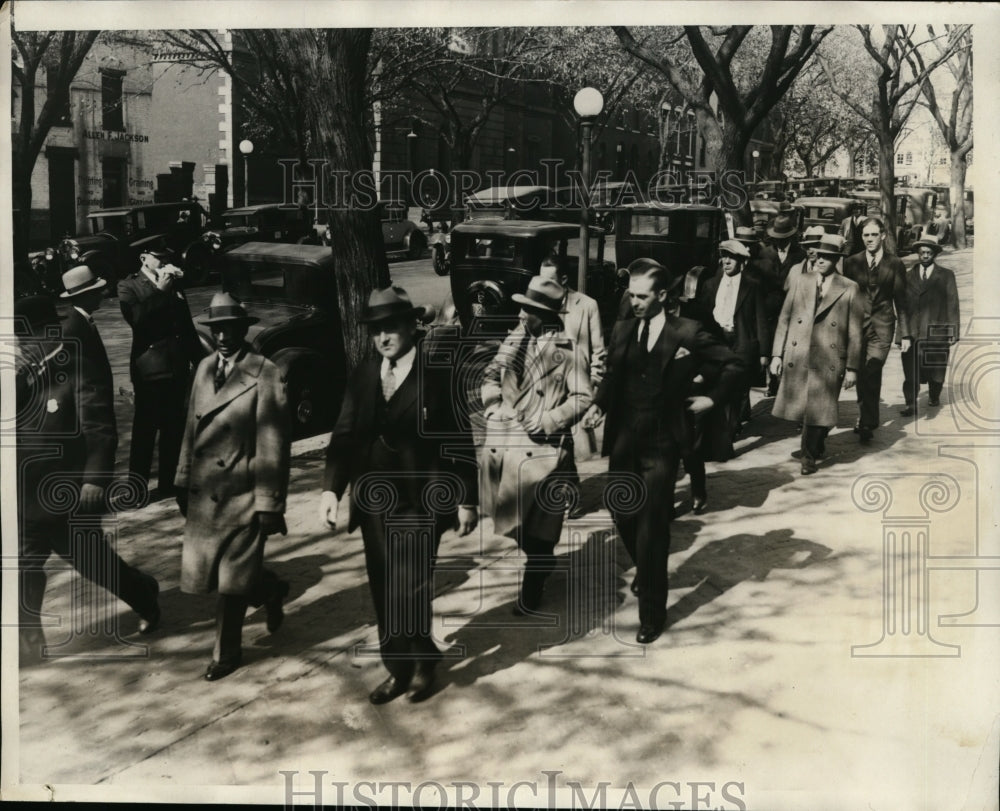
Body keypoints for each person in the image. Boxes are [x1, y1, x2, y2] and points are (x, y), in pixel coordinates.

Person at [319, 286, 479, 704]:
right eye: (376, 331)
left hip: (423, 500)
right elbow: (345, 433)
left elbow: (458, 439)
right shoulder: (365, 373)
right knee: (382, 588)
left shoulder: (437, 371)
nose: (383, 337)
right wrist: (331, 489)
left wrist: (467, 498)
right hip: (374, 503)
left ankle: (422, 665)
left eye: (390, 328)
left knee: (408, 588)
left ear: (411, 325)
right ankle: (400, 666)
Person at [583, 260, 743, 644]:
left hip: (664, 442)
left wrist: (712, 398)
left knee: (653, 528)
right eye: (631, 295)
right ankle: (647, 567)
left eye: (642, 296)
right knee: (621, 513)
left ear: (661, 296)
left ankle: (651, 613)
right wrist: (598, 404)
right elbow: (612, 377)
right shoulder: (621, 330)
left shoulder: (687, 332)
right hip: (624, 438)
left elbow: (735, 364)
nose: (634, 302)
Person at [15, 283, 160, 665]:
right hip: (27, 494)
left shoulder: (72, 363)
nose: (24, 347)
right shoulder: (23, 372)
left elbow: (98, 423)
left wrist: (95, 478)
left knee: (93, 561)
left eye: (26, 338)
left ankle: (144, 594)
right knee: (24, 567)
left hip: (68, 492)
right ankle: (28, 646)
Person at [174, 293, 291, 682]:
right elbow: (192, 427)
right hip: (205, 492)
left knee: (231, 585)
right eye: (216, 329)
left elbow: (273, 442)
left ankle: (226, 653)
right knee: (214, 577)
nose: (223, 336)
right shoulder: (205, 368)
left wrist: (269, 502)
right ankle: (272, 590)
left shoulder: (265, 372)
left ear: (243, 329)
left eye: (230, 328)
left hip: (242, 490)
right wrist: (182, 475)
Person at [480, 275, 593, 613]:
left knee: (540, 532)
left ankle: (534, 585)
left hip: (544, 454)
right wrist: (492, 407)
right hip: (507, 447)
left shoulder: (568, 352)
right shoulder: (515, 340)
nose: (519, 315)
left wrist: (549, 420)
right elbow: (489, 375)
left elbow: (583, 397)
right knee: (517, 525)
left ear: (541, 314)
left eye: (525, 310)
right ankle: (539, 563)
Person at [770, 234, 864, 475]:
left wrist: (853, 368)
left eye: (826, 257)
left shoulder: (849, 287)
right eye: (818, 255)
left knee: (821, 409)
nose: (819, 260)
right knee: (806, 410)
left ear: (836, 259)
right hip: (799, 353)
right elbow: (784, 318)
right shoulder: (801, 281)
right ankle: (813, 446)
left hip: (830, 358)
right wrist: (776, 355)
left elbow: (855, 332)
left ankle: (808, 457)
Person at [118, 247, 203, 500]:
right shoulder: (128, 285)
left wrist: (201, 362)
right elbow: (138, 320)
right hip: (150, 369)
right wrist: (160, 292)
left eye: (167, 257)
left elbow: (186, 326)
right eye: (159, 258)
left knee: (173, 428)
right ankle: (136, 491)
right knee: (145, 430)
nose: (165, 262)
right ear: (144, 258)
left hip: (177, 365)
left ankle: (168, 484)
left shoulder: (174, 283)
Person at [697, 238, 770, 443]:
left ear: (741, 262)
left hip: (742, 342)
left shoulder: (752, 286)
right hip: (717, 342)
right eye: (724, 257)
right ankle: (722, 424)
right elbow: (702, 316)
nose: (726, 261)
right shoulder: (711, 284)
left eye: (732, 258)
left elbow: (761, 320)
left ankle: (731, 428)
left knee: (737, 387)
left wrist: (764, 353)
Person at [842, 218, 907, 444]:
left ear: (883, 236)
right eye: (865, 235)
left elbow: (901, 299)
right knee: (861, 369)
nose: (869, 239)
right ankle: (867, 419)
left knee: (872, 368)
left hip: (883, 326)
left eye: (873, 235)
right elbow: (844, 298)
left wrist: (904, 334)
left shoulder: (895, 263)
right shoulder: (851, 263)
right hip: (856, 325)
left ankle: (866, 420)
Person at [897, 234, 960, 415]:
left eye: (929, 253)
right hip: (913, 332)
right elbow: (901, 307)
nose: (925, 256)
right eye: (922, 252)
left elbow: (953, 304)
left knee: (936, 370)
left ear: (935, 254)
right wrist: (901, 335)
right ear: (917, 253)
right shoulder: (908, 276)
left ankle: (934, 394)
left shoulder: (946, 276)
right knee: (910, 370)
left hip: (936, 332)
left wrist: (952, 331)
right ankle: (910, 403)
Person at [758, 213, 806, 396]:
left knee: (788, 346)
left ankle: (785, 382)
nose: (778, 242)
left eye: (782, 239)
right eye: (776, 238)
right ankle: (772, 384)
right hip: (769, 309)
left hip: (792, 307)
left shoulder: (800, 254)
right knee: (771, 344)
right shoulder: (765, 253)